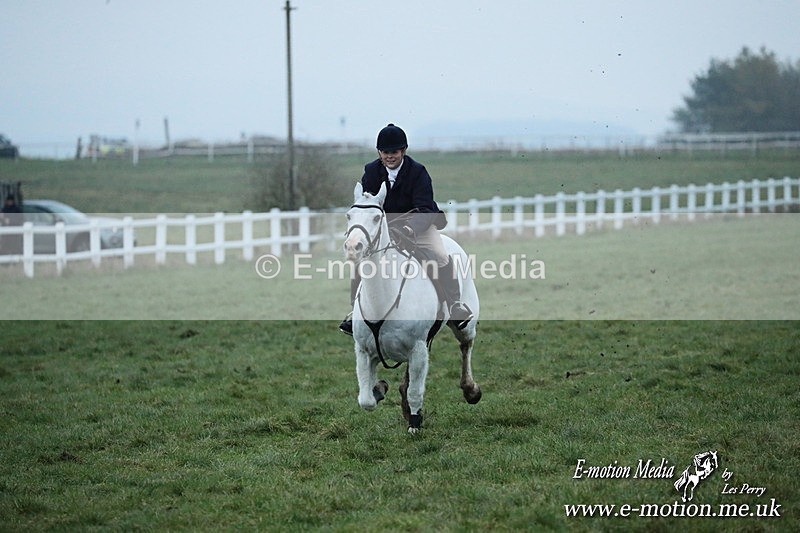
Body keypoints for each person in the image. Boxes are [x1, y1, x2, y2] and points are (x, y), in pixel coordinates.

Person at [339, 123, 474, 335]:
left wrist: (410, 228)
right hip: (383, 227)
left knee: (439, 255)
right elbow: (367, 206)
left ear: (403, 151)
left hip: (419, 224)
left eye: (394, 152)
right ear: (379, 152)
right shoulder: (371, 171)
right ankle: (354, 312)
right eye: (385, 152)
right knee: (362, 259)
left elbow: (425, 207)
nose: (389, 156)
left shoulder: (418, 172)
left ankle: (455, 305)